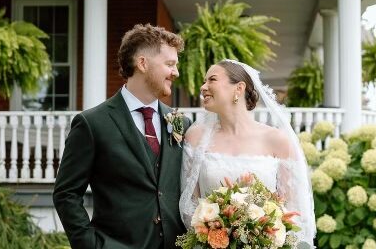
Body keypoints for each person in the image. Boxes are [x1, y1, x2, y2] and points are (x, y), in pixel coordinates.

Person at [54, 24, 191, 249]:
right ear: (142, 63)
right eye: (169, 64)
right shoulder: (92, 123)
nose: (175, 72)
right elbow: (66, 194)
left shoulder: (180, 122)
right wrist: (91, 244)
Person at [179, 59, 316, 246]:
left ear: (239, 88)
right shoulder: (195, 138)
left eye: (212, 80)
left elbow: (292, 211)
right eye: (204, 81)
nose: (203, 87)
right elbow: (189, 205)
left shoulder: (278, 141)